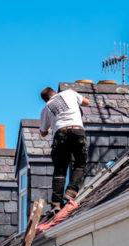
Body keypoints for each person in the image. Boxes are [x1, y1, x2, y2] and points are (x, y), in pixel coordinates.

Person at [39, 86, 90, 215]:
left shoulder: (46, 108)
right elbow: (86, 102)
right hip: (77, 129)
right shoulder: (69, 93)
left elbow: (43, 132)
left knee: (60, 170)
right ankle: (71, 192)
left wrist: (51, 127)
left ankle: (56, 203)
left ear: (46, 100)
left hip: (60, 134)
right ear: (55, 93)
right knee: (80, 163)